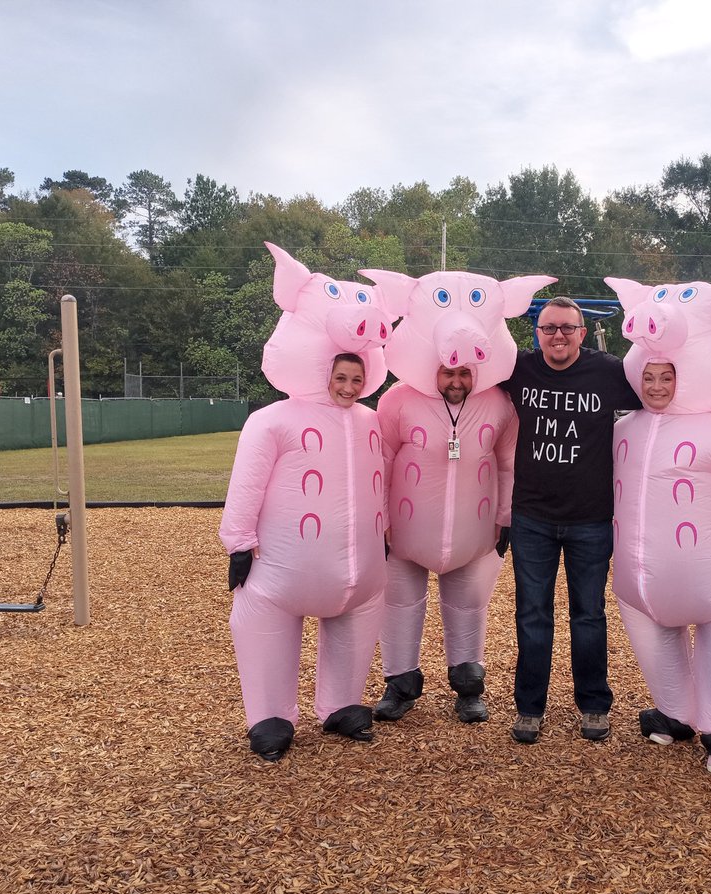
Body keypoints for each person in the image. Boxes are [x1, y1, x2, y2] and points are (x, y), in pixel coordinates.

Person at [220, 242, 393, 762]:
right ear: (323, 372)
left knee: (356, 626)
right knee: (267, 626)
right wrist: (239, 542)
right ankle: (270, 715)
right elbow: (246, 484)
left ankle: (341, 703)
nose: (349, 386)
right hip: (282, 572)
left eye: (356, 378)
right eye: (340, 378)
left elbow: (379, 482)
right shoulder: (273, 420)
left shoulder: (370, 421)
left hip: (361, 571)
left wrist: (383, 536)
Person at [607, 274, 711, 774]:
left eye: (667, 377)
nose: (657, 386)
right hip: (639, 584)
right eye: (650, 377)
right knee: (654, 640)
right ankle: (675, 711)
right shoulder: (624, 429)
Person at [500, 296, 640, 744]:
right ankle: (529, 708)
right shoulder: (519, 369)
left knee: (589, 614)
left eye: (566, 328)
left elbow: (660, 390)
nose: (557, 336)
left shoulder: (608, 371)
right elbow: (466, 366)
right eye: (549, 328)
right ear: (537, 333)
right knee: (532, 614)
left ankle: (594, 704)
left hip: (591, 518)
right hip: (532, 516)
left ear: (582, 332)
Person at [372, 363, 517, 724]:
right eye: (448, 372)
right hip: (405, 530)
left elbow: (508, 462)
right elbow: (381, 462)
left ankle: (469, 686)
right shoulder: (398, 399)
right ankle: (400, 684)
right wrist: (382, 519)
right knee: (399, 605)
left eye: (465, 373)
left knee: (468, 606)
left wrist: (505, 516)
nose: (456, 382)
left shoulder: (498, 403)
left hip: (473, 529)